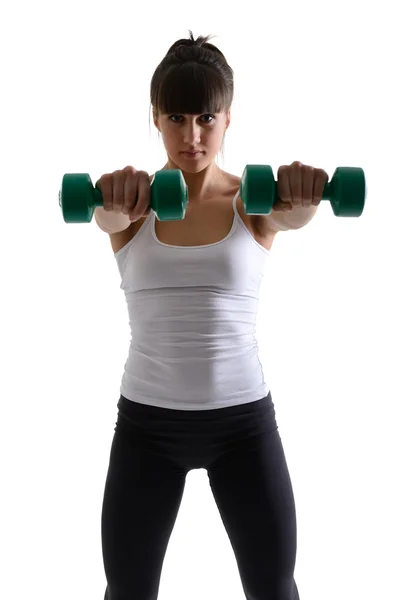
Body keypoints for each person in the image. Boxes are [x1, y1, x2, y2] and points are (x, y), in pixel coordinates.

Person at [95, 31, 328, 600]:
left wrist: (302, 197)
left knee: (275, 588)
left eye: (206, 117)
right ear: (155, 118)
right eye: (176, 117)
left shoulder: (254, 201)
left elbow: (293, 217)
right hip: (147, 427)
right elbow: (104, 219)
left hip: (242, 426)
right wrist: (107, 197)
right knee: (126, 590)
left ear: (228, 118)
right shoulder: (133, 205)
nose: (192, 135)